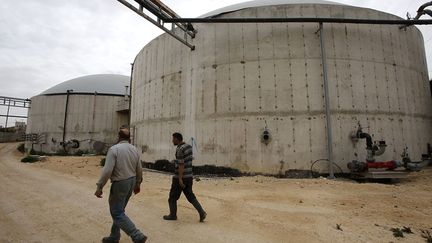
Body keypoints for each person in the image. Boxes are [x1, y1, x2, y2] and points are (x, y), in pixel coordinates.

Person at [95, 128, 147, 243]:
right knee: (120, 210)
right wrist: (138, 183)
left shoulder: (114, 149)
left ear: (118, 137)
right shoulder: (134, 149)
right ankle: (114, 236)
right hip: (131, 181)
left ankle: (137, 235)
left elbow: (107, 170)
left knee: (117, 212)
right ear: (129, 138)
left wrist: (99, 187)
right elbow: (139, 168)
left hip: (120, 183)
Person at [163, 132, 207, 222]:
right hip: (189, 176)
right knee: (190, 196)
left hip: (180, 177)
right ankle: (201, 212)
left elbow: (181, 164)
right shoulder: (188, 147)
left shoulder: (180, 149)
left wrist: (179, 179)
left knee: (172, 197)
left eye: (173, 139)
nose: (172, 141)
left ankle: (172, 215)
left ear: (176, 139)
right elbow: (186, 160)